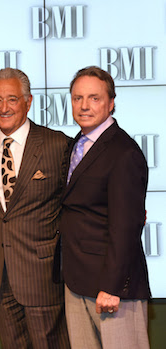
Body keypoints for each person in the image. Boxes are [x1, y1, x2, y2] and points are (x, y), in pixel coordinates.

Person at [61, 66, 150, 348]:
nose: (84, 105)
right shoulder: (77, 144)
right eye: (77, 98)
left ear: (111, 102)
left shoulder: (124, 153)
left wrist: (112, 287)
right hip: (77, 281)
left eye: (94, 98)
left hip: (112, 288)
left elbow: (125, 226)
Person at [0, 68, 71, 348]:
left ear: (28, 101)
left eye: (12, 99)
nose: (4, 107)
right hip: (1, 277)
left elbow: (77, 205)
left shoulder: (57, 144)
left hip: (43, 277)